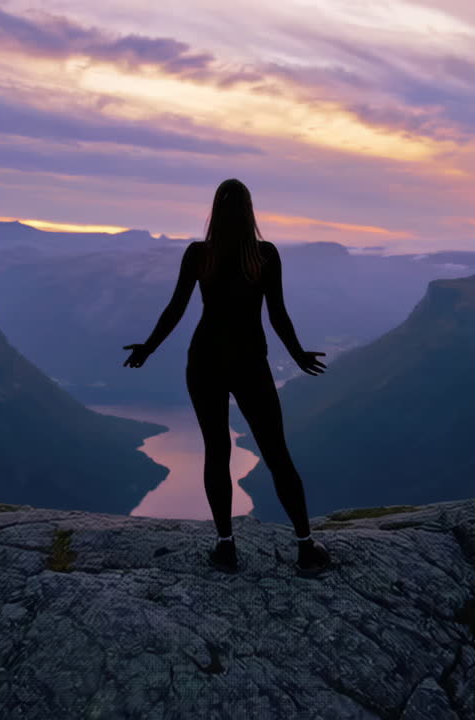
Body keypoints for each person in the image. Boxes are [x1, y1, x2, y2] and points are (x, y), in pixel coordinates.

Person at [123, 178, 336, 577]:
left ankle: (226, 548)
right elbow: (277, 314)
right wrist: (298, 354)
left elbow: (176, 309)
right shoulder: (265, 255)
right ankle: (306, 548)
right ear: (250, 211)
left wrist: (147, 348)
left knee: (216, 451)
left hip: (204, 361)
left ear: (214, 213)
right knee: (276, 453)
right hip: (250, 362)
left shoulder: (199, 254)